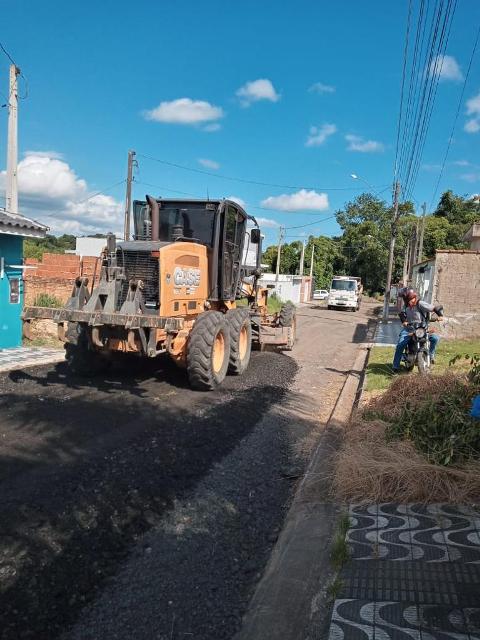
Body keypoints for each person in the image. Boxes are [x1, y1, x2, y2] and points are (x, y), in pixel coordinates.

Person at [392, 289, 442, 373]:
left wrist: (440, 315)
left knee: (435, 338)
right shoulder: (406, 306)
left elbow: (434, 308)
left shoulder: (420, 303)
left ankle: (431, 354)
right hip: (409, 330)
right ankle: (395, 366)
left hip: (422, 329)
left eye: (410, 299)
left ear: (414, 297)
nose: (409, 302)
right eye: (407, 300)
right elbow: (401, 314)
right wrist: (404, 321)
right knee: (401, 345)